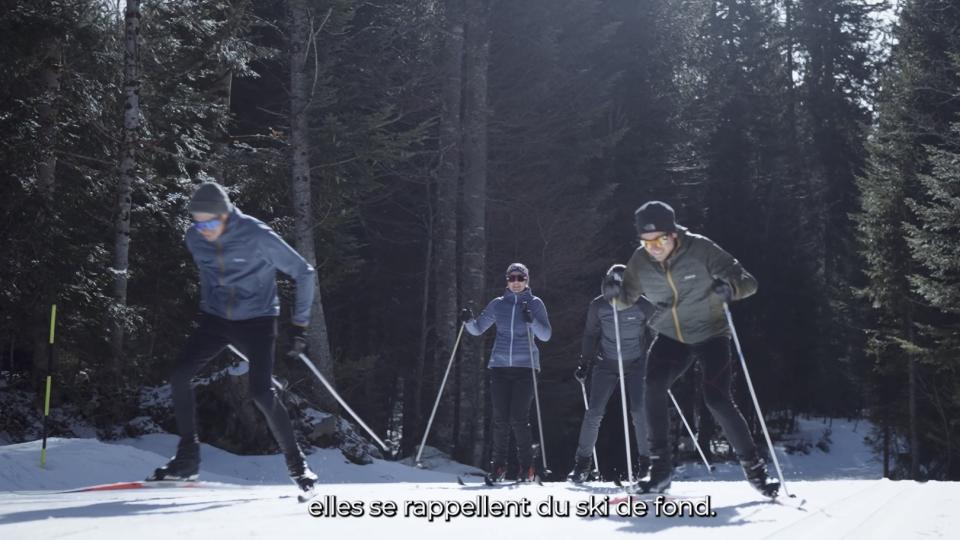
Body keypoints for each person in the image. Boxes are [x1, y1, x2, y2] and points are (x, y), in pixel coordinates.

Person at [149, 182, 318, 494]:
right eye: (198, 223)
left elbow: (304, 271)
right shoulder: (194, 237)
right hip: (216, 320)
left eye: (211, 222)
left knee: (261, 392)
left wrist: (300, 325)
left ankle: (298, 465)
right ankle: (187, 460)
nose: (204, 230)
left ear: (226, 216)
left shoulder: (256, 235)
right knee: (179, 375)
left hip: (258, 321)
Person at [610, 200, 779, 497]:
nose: (654, 247)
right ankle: (660, 471)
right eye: (646, 241)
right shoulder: (639, 261)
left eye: (660, 239)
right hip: (671, 335)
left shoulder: (700, 249)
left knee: (716, 399)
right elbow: (624, 298)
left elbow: (747, 282)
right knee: (652, 387)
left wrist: (730, 289)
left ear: (674, 233)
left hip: (711, 332)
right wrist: (611, 291)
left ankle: (755, 470)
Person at [460, 263, 552, 483]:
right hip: (500, 367)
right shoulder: (498, 304)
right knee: (500, 419)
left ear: (527, 280)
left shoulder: (535, 303)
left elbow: (546, 335)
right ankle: (498, 467)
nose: (516, 282)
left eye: (521, 278)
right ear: (507, 281)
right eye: (512, 278)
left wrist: (532, 322)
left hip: (526, 367)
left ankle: (527, 468)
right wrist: (467, 320)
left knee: (518, 418)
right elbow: (478, 329)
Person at [567, 264, 656, 484]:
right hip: (606, 362)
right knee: (594, 411)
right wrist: (584, 363)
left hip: (637, 363)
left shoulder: (643, 305)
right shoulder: (599, 306)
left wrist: (657, 360)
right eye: (614, 286)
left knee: (639, 409)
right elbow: (590, 335)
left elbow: (657, 331)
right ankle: (582, 464)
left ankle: (647, 464)